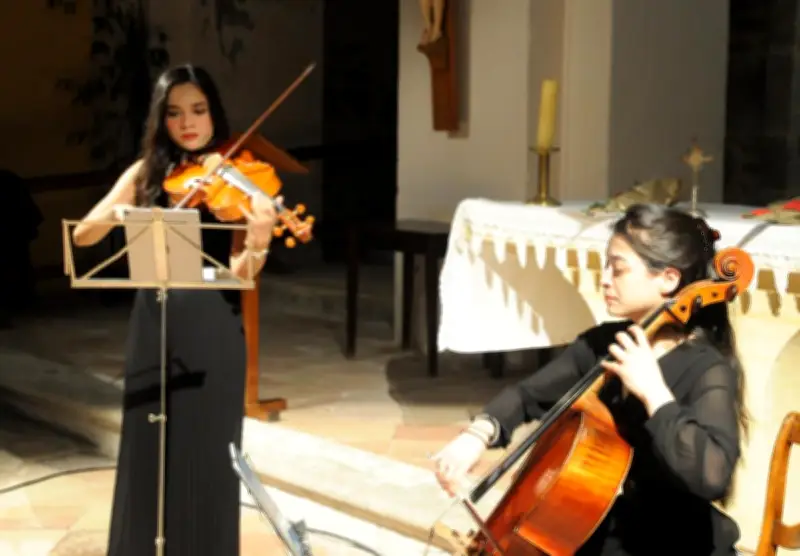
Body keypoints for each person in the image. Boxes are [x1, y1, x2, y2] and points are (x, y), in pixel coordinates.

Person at [433, 204, 749, 556]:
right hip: (610, 533)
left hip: (678, 544)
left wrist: (654, 393)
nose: (604, 279)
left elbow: (713, 475)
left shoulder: (707, 367)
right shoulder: (604, 344)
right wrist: (478, 436)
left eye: (619, 269)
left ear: (669, 279)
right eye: (606, 267)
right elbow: (527, 395)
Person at [72, 64, 278, 556]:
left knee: (207, 455)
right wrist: (121, 213)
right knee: (146, 449)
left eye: (199, 111)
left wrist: (260, 238)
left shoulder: (239, 174)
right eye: (175, 113)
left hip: (213, 328)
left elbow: (241, 272)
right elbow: (84, 234)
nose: (188, 123)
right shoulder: (147, 172)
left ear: (214, 114)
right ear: (161, 121)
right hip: (154, 321)